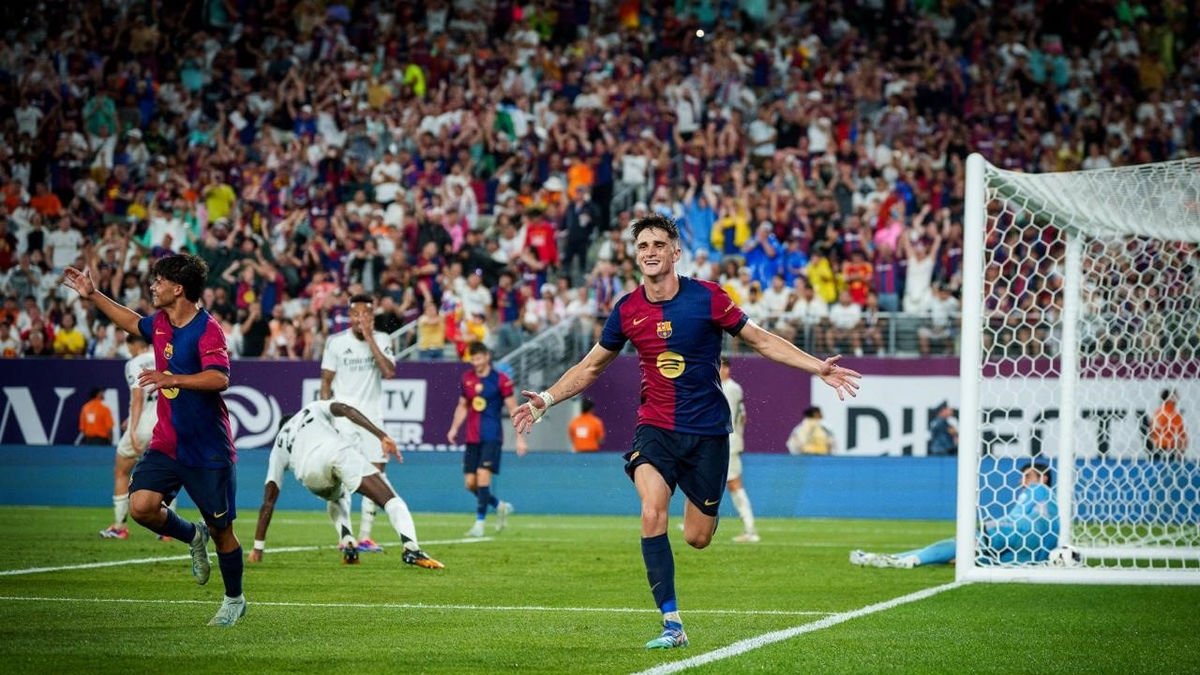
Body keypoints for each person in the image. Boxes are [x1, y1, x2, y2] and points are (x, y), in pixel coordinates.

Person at [511, 214, 861, 650]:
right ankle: (672, 623)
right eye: (643, 246)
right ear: (635, 255)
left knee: (697, 537)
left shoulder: (710, 299)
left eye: (659, 244)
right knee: (652, 510)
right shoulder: (627, 310)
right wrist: (545, 399)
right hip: (655, 427)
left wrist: (818, 367)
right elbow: (591, 366)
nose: (651, 252)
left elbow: (761, 339)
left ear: (676, 252)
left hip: (709, 433)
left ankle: (696, 535)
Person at [62, 254, 246, 627]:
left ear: (178, 288)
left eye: (158, 281)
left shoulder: (208, 329)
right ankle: (191, 535)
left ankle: (234, 599)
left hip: (208, 450)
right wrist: (93, 295)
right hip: (167, 443)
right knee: (142, 507)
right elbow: (131, 321)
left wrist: (171, 379)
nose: (152, 286)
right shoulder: (160, 322)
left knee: (222, 530)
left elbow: (219, 379)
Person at [249, 400, 443, 569]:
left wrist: (258, 548)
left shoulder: (279, 445)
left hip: (309, 474)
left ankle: (347, 539)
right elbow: (345, 409)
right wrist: (381, 435)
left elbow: (268, 501)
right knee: (391, 501)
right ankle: (412, 549)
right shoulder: (312, 408)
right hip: (335, 451)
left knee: (337, 495)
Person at [850, 458, 1058, 568]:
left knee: (963, 541)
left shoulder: (1037, 490)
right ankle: (892, 558)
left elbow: (1015, 522)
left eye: (1028, 476)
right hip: (1031, 556)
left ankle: (908, 559)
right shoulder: (1054, 502)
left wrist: (990, 532)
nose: (1024, 481)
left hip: (1017, 538)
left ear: (1044, 478)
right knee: (965, 551)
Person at [320, 293, 396, 553]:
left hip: (373, 418)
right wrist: (325, 416)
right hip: (344, 419)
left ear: (372, 318)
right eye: (356, 314)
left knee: (378, 474)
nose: (360, 319)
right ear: (349, 316)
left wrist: (371, 338)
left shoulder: (384, 339)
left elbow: (388, 372)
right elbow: (326, 383)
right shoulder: (336, 343)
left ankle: (365, 536)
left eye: (366, 315)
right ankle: (345, 535)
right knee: (342, 477)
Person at [447, 342, 527, 537]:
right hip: (472, 437)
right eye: (473, 359)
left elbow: (513, 409)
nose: (476, 362)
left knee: (483, 476)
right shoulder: (467, 378)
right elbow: (463, 405)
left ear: (486, 357)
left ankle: (479, 524)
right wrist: (454, 427)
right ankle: (499, 505)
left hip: (492, 436)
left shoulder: (501, 380)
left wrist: (520, 438)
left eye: (479, 358)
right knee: (470, 483)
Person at [101, 334, 168, 539]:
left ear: (132, 344)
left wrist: (132, 427)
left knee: (121, 471)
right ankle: (167, 531)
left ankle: (120, 526)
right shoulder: (161, 359)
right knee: (167, 476)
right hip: (164, 425)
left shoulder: (134, 363)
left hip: (142, 428)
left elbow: (137, 396)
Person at [720, 355, 759, 543]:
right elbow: (743, 417)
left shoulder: (730, 389)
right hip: (727, 441)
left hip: (728, 442)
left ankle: (750, 530)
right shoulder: (731, 388)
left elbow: (726, 415)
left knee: (734, 483)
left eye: (722, 367)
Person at [1149, 389, 1188, 459]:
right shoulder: (1173, 414)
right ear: (1171, 398)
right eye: (1176, 395)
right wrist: (1181, 450)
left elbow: (1151, 431)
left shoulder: (1158, 412)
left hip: (1157, 449)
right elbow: (1181, 434)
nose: (1178, 398)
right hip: (1170, 450)